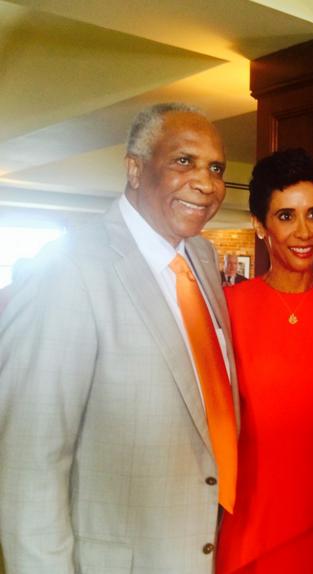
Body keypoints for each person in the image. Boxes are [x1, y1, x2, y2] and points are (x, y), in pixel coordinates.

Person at [0, 102, 239, 574]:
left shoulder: (203, 258)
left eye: (215, 168)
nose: (206, 183)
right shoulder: (67, 270)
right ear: (134, 168)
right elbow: (29, 468)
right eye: (183, 161)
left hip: (204, 547)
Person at [216, 148, 313, 574]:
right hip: (250, 525)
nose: (304, 231)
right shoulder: (228, 308)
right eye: (286, 216)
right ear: (260, 226)